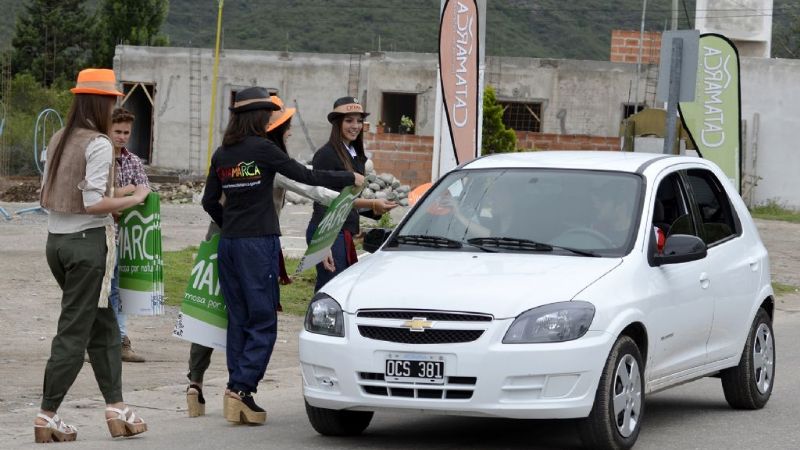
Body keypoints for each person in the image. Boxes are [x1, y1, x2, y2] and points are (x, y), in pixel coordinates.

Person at [201, 87, 363, 424]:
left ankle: (237, 389)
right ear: (258, 116)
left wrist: (230, 224)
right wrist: (349, 177)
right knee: (263, 320)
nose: (272, 120)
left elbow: (208, 202)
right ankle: (242, 389)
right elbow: (305, 176)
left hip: (229, 244)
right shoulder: (263, 149)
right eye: (269, 114)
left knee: (240, 319)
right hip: (257, 244)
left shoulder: (222, 153)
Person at [35, 68, 149, 443]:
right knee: (74, 330)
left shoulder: (58, 138)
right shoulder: (98, 143)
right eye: (113, 100)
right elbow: (94, 202)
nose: (116, 104)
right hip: (87, 244)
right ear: (102, 102)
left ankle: (116, 406)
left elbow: (45, 195)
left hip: (57, 242)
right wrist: (133, 198)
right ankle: (47, 414)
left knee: (102, 325)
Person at [306, 96, 397, 291]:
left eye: (358, 120)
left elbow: (349, 200)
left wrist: (376, 210)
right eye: (349, 120)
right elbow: (324, 200)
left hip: (343, 232)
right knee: (331, 289)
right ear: (337, 123)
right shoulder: (326, 155)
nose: (355, 126)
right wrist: (324, 244)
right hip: (328, 232)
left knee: (340, 289)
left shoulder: (356, 154)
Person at [108, 107, 149, 363]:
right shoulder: (99, 157)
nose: (122, 137)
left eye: (126, 132)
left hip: (124, 235)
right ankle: (98, 341)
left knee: (118, 288)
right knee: (100, 290)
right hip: (100, 233)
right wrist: (129, 191)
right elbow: (101, 195)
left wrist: (122, 194)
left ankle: (120, 339)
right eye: (117, 131)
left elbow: (147, 191)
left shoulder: (132, 160)